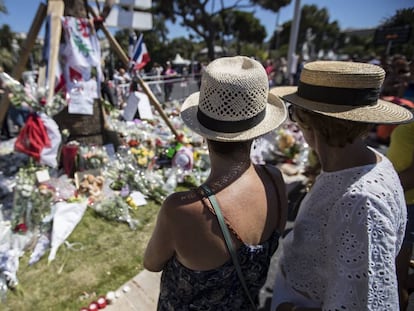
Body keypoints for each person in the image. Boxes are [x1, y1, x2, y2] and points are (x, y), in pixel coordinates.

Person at [144, 56, 289, 310]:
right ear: (257, 132)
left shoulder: (181, 210)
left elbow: (151, 263)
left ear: (203, 136)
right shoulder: (275, 182)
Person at [269, 60, 413, 311]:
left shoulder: (360, 202)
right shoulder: (363, 163)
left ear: (307, 121)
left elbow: (365, 304)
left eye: (295, 111)